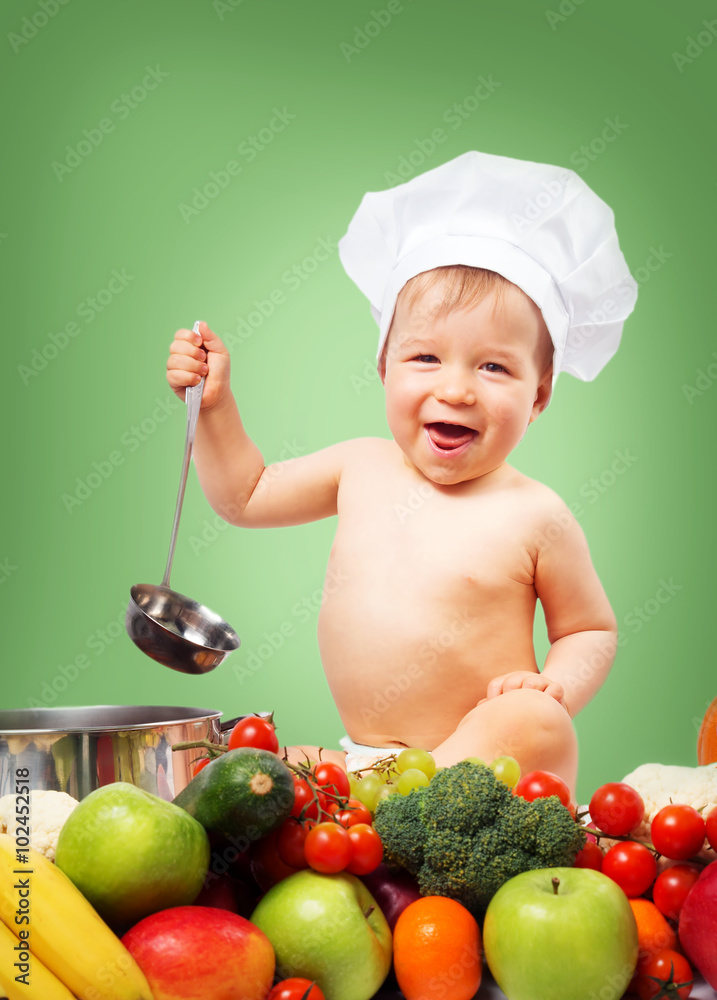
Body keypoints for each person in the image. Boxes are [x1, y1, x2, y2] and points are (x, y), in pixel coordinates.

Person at [165, 151, 637, 796]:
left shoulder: (536, 514)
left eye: (494, 367)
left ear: (540, 394)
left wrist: (554, 684)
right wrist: (216, 408)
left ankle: (402, 799)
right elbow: (245, 495)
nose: (457, 389)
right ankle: (379, 794)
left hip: (485, 768)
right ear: (385, 365)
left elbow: (589, 629)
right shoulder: (360, 465)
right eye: (426, 356)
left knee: (535, 721)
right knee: (242, 755)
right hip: (366, 759)